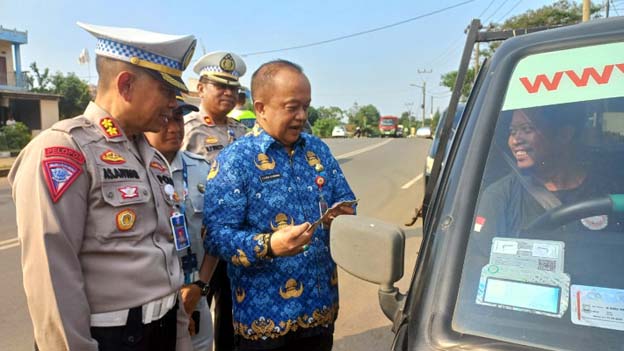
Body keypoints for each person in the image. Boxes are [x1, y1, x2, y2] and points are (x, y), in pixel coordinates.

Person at [9, 22, 197, 351]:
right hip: (110, 339)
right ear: (126, 85)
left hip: (162, 331)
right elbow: (52, 281)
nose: (173, 104)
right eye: (167, 92)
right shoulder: (66, 149)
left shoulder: (152, 158)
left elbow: (167, 259)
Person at [202, 59, 357, 350]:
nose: (301, 116)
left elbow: (346, 201)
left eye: (306, 107)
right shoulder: (235, 160)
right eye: (292, 107)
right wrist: (269, 245)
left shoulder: (318, 150)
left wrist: (342, 217)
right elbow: (215, 237)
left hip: (319, 311)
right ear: (260, 108)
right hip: (263, 323)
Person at [182, 51, 248, 351]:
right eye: (219, 86)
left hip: (235, 241)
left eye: (233, 88)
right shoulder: (186, 131)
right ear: (200, 89)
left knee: (231, 314)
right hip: (201, 240)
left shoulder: (242, 132)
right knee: (193, 312)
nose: (227, 93)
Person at [474, 104, 621, 235]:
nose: (515, 140)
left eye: (527, 129)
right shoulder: (500, 196)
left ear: (564, 135)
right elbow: (480, 259)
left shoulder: (611, 190)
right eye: (512, 131)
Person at [144, 94, 219, 351]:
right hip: (152, 304)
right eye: (166, 120)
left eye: (179, 119)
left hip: (195, 293)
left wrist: (199, 286)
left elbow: (215, 236)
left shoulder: (203, 169)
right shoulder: (134, 170)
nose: (175, 128)